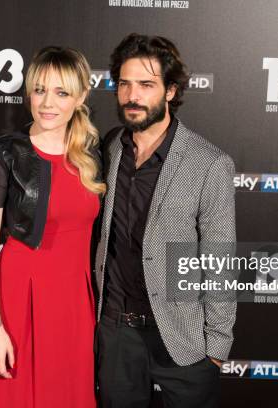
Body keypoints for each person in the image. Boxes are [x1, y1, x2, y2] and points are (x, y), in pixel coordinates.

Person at [95, 33, 237, 407]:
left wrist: (217, 346)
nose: (132, 96)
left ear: (171, 91)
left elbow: (219, 261)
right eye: (124, 84)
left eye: (146, 84)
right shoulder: (109, 148)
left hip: (181, 338)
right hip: (116, 333)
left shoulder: (209, 164)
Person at [0, 46, 104, 408]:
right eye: (39, 89)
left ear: (80, 97)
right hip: (19, 301)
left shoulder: (94, 154)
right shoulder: (4, 153)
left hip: (75, 305)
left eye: (61, 92)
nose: (48, 102)